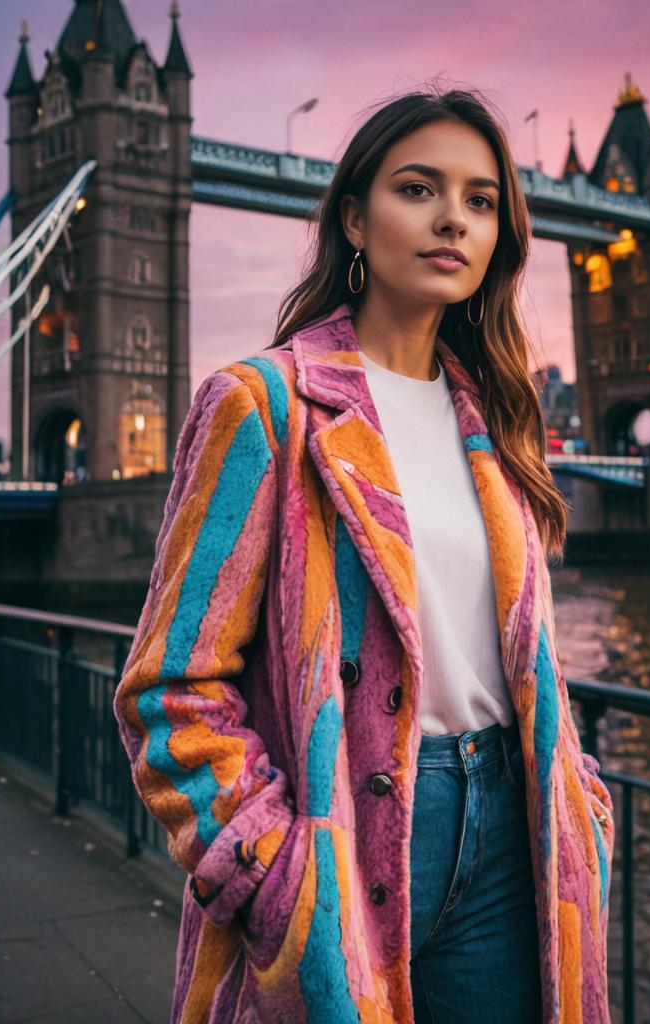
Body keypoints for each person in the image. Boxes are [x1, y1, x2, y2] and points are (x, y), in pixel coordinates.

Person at [113, 83, 615, 1024]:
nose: (452, 221)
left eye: (479, 201)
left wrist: (580, 801)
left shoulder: (500, 420)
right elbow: (169, 692)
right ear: (354, 215)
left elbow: (518, 655)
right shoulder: (264, 405)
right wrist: (273, 871)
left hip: (512, 831)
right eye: (419, 189)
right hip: (343, 834)